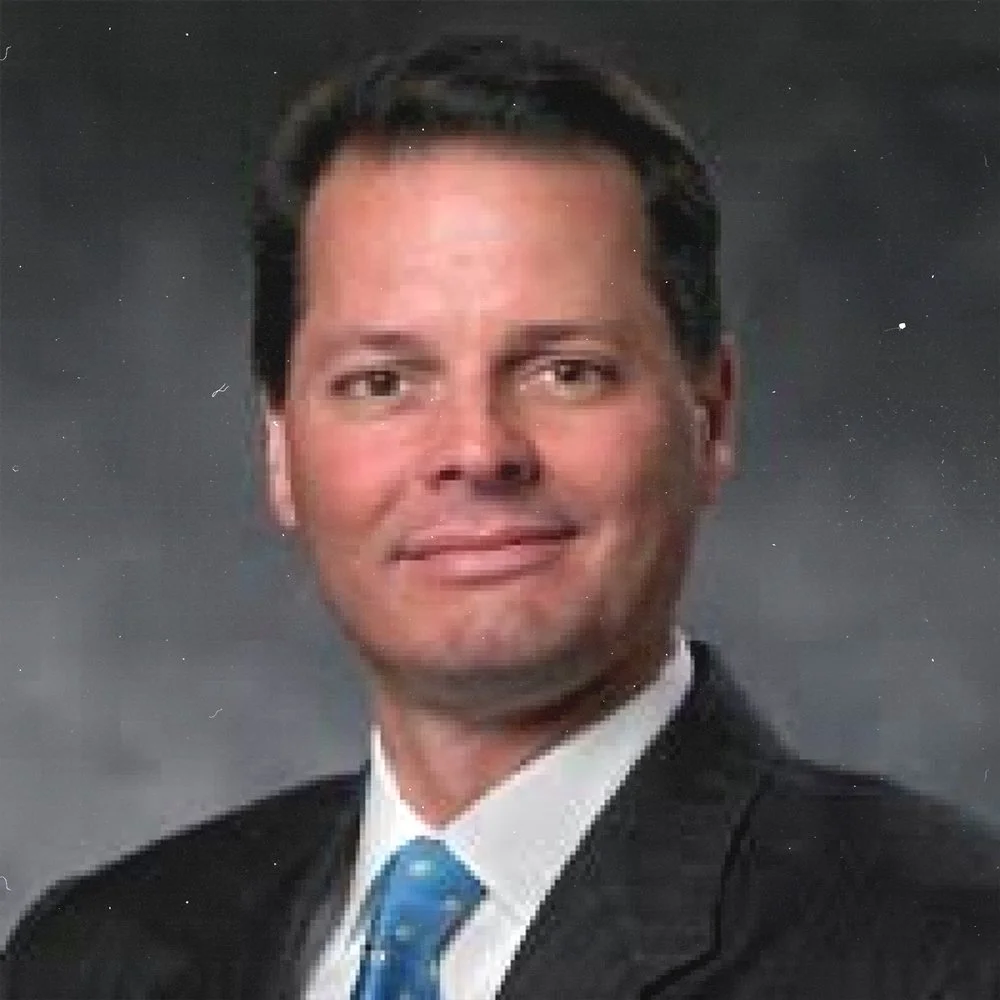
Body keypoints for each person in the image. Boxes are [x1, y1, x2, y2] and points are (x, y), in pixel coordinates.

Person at [2, 29, 998, 1000]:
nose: (477, 451)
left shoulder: (948, 949)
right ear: (279, 446)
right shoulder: (88, 957)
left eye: (566, 370)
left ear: (711, 414)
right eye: (383, 380)